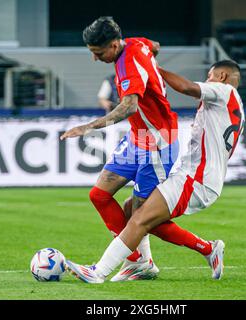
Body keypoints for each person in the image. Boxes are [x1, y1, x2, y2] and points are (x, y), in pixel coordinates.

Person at [65, 60, 245, 283]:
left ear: (222, 77)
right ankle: (201, 251)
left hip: (196, 180)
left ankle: (98, 271)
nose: (207, 80)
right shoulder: (233, 105)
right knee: (132, 209)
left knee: (140, 218)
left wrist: (151, 69)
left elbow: (187, 87)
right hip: (195, 176)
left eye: (210, 76)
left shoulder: (224, 90)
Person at [61, 16, 182, 282]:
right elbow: (156, 45)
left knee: (142, 215)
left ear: (115, 45)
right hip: (138, 137)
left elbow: (129, 106)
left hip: (158, 139)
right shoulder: (138, 43)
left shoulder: (127, 62)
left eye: (98, 53)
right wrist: (153, 69)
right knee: (99, 195)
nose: (95, 59)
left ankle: (206, 249)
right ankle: (137, 260)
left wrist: (87, 128)